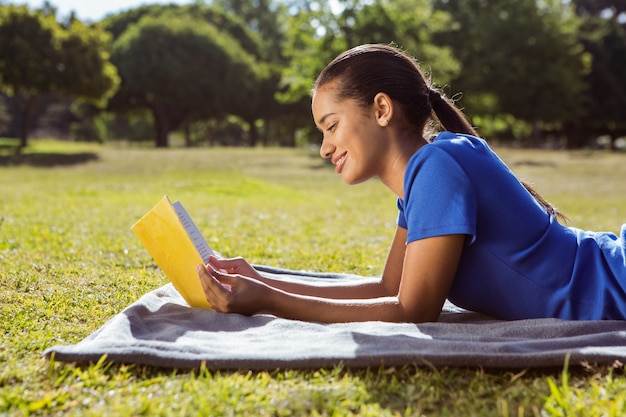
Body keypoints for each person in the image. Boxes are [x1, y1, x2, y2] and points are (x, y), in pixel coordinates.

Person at [197, 43, 626, 323]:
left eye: (331, 126)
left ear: (382, 109)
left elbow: (412, 309)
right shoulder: (428, 172)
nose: (325, 148)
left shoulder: (437, 166)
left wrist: (268, 302)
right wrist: (263, 282)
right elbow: (389, 290)